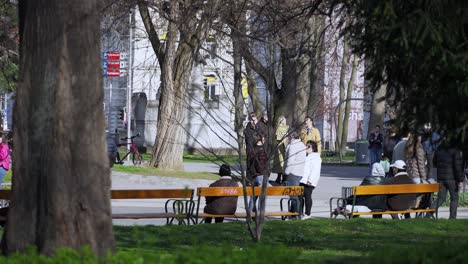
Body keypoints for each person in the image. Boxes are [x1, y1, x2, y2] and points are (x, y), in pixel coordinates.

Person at [430, 142, 464, 219]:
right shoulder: (455, 149)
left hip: (441, 178)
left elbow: (434, 162)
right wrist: (460, 180)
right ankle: (452, 217)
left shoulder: (439, 148)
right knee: (454, 198)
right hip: (452, 179)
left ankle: (429, 212)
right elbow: (457, 166)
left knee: (441, 198)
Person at [284, 129, 306, 217]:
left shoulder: (293, 146)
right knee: (296, 194)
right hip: (299, 173)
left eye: (288, 135)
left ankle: (297, 213)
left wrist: (286, 172)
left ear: (292, 136)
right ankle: (294, 213)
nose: (287, 137)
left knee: (293, 194)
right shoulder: (301, 145)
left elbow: (290, 161)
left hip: (292, 173)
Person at [300, 141, 321, 219]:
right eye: (306, 145)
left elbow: (315, 170)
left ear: (313, 148)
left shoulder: (315, 157)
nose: (306, 147)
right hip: (303, 180)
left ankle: (308, 214)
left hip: (309, 182)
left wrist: (310, 180)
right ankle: (300, 212)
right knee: (301, 197)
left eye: (308, 146)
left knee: (307, 197)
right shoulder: (308, 156)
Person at [247, 135, 268, 213]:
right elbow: (261, 165)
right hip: (260, 175)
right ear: (261, 139)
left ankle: (250, 212)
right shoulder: (262, 150)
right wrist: (266, 173)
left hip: (253, 175)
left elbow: (249, 164)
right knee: (261, 197)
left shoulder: (251, 149)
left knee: (253, 196)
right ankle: (260, 214)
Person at [272, 116, 289, 184]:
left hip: (283, 146)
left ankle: (280, 178)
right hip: (281, 146)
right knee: (281, 163)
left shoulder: (284, 128)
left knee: (281, 163)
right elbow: (279, 138)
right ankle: (282, 178)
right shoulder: (280, 128)